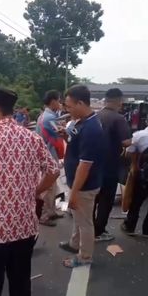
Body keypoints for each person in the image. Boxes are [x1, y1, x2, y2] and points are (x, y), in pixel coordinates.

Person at [0, 87, 59, 296]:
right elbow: (54, 170)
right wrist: (35, 191)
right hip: (24, 226)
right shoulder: (31, 138)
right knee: (21, 283)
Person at [59, 85, 105, 268]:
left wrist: (75, 193)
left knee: (85, 222)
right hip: (78, 183)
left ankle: (85, 257)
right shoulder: (81, 122)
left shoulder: (92, 128)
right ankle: (74, 244)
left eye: (69, 106)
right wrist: (65, 136)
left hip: (85, 185)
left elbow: (85, 165)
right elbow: (75, 147)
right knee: (79, 218)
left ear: (80, 103)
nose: (67, 110)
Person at [94, 88, 131, 242]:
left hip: (93, 165)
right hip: (110, 166)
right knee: (105, 200)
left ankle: (89, 229)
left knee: (93, 198)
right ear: (118, 101)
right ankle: (99, 231)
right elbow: (126, 142)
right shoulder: (118, 119)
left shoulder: (96, 116)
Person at [121, 111, 148, 237]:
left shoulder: (139, 135)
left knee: (136, 200)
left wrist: (134, 167)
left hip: (142, 173)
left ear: (146, 121)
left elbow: (130, 152)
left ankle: (130, 226)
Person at [36, 90, 64, 226]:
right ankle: (45, 215)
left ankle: (51, 211)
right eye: (59, 100)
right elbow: (62, 133)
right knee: (48, 187)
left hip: (44, 156)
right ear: (53, 101)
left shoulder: (44, 116)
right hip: (48, 157)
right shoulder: (49, 118)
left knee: (52, 187)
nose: (60, 103)